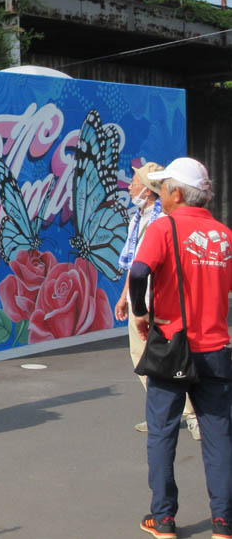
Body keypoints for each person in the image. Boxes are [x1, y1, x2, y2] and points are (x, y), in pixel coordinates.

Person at [129, 157, 232, 539]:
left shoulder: (164, 227)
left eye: (163, 188)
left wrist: (140, 312)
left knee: (162, 433)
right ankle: (223, 522)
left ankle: (164, 519)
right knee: (219, 436)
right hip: (216, 349)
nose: (160, 195)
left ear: (177, 193)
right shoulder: (224, 235)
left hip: (172, 346)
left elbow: (139, 271)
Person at [114, 162, 200, 439]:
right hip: (139, 299)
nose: (130, 187)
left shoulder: (164, 221)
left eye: (135, 182)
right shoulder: (137, 219)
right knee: (142, 358)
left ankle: (193, 415)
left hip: (161, 300)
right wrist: (125, 296)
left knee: (174, 358)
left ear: (148, 190)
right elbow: (134, 264)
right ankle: (159, 413)